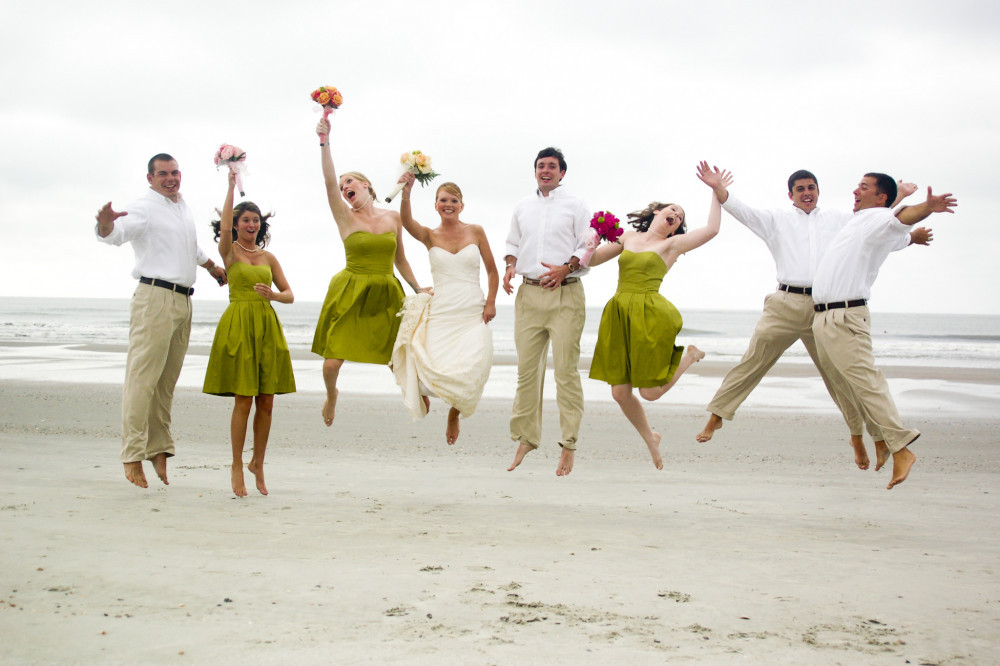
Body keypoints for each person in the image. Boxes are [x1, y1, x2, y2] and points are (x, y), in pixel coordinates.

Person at [695, 169, 931, 470]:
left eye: (812, 187)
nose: (807, 192)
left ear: (818, 191)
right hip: (785, 303)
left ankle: (859, 436)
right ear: (790, 194)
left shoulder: (840, 219)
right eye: (800, 188)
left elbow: (877, 229)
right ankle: (716, 415)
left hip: (824, 309)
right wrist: (719, 191)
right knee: (753, 360)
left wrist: (908, 229)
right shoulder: (775, 220)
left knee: (839, 378)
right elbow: (743, 212)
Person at [811, 174, 956, 489]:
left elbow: (898, 219)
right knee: (843, 387)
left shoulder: (876, 217)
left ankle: (900, 448)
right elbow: (897, 234)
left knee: (867, 383)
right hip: (823, 318)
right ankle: (879, 440)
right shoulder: (863, 222)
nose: (855, 190)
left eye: (863, 187)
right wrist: (912, 235)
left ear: (880, 199)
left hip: (844, 316)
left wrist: (925, 207)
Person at [94, 153, 228, 488]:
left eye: (175, 172)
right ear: (150, 178)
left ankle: (159, 449)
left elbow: (190, 247)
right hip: (154, 298)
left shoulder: (181, 206)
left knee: (165, 383)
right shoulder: (144, 207)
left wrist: (212, 268)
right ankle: (131, 454)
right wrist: (105, 224)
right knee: (142, 380)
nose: (171, 178)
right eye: (163, 174)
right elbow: (115, 234)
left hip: (183, 300)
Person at [587, 162, 728, 468]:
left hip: (649, 315)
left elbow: (713, 229)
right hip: (619, 313)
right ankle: (650, 436)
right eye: (673, 211)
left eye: (679, 218)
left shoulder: (672, 245)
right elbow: (594, 261)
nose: (675, 217)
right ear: (657, 211)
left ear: (677, 228)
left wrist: (716, 191)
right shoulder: (626, 237)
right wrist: (590, 244)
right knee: (620, 393)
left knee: (650, 393)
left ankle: (688, 357)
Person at [311, 117, 428, 427]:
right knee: (331, 364)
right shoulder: (345, 218)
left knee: (395, 359)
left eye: (349, 181)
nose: (344, 187)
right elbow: (327, 182)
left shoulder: (392, 218)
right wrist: (325, 141)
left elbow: (400, 260)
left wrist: (418, 288)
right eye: (342, 185)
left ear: (366, 185)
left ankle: (416, 391)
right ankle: (332, 394)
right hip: (352, 290)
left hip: (386, 291)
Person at [203, 172, 295, 497]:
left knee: (266, 401)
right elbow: (225, 222)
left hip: (267, 326)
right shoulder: (230, 252)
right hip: (240, 324)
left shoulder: (268, 258)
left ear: (261, 225)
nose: (251, 224)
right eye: (246, 220)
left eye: (256, 220)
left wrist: (273, 295)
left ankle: (258, 462)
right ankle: (236, 464)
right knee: (243, 399)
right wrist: (230, 186)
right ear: (236, 224)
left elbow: (289, 294)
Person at [391, 174, 499, 444]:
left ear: (462, 205)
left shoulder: (476, 231)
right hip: (442, 310)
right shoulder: (429, 235)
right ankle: (424, 393)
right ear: (436, 205)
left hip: (472, 310)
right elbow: (407, 223)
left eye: (453, 200)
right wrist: (406, 193)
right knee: (431, 362)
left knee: (474, 365)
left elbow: (492, 271)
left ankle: (454, 413)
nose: (448, 204)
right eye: (443, 200)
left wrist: (491, 302)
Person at [503, 147, 591, 476]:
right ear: (535, 171)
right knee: (527, 372)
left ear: (562, 173)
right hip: (528, 295)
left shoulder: (576, 205)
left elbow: (587, 246)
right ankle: (527, 437)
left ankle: (569, 444)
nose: (545, 170)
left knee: (565, 372)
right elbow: (512, 245)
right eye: (540, 166)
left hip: (565, 295)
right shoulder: (522, 206)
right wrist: (510, 268)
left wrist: (565, 269)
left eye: (552, 166)